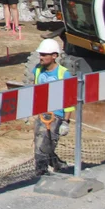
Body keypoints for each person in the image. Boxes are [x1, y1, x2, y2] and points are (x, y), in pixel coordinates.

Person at [32, 38, 74, 175]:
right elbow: (35, 90)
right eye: (41, 54)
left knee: (43, 145)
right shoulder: (38, 70)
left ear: (54, 56)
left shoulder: (63, 73)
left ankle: (41, 172)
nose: (41, 57)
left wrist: (65, 122)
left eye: (44, 54)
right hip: (42, 113)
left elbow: (69, 99)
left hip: (56, 116)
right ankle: (58, 164)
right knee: (42, 143)